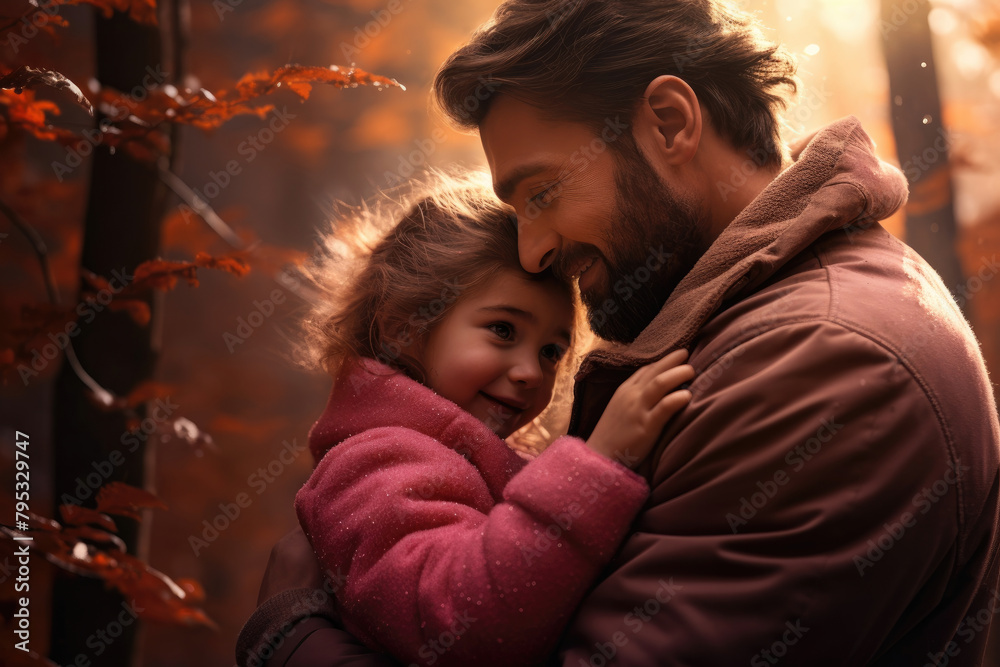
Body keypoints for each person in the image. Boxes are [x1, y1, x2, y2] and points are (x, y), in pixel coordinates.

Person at [240, 0, 1000, 664]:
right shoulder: (758, 326)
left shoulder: (823, 362)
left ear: (669, 122)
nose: (534, 250)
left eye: (541, 192)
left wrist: (292, 637)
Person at [236, 175, 695, 667]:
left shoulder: (460, 457)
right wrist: (596, 467)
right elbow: (462, 625)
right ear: (403, 327)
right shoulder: (374, 460)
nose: (528, 373)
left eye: (551, 352)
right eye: (502, 330)